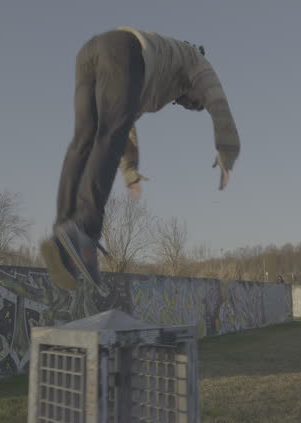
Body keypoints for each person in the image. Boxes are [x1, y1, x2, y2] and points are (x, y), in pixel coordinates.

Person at [41, 27, 240, 294]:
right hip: (125, 51)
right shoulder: (198, 63)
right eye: (195, 103)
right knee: (108, 134)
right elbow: (219, 103)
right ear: (196, 89)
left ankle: (61, 235)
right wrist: (227, 151)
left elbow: (127, 125)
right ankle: (84, 229)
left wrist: (130, 170)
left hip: (90, 52)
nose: (192, 106)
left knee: (84, 139)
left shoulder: (160, 80)